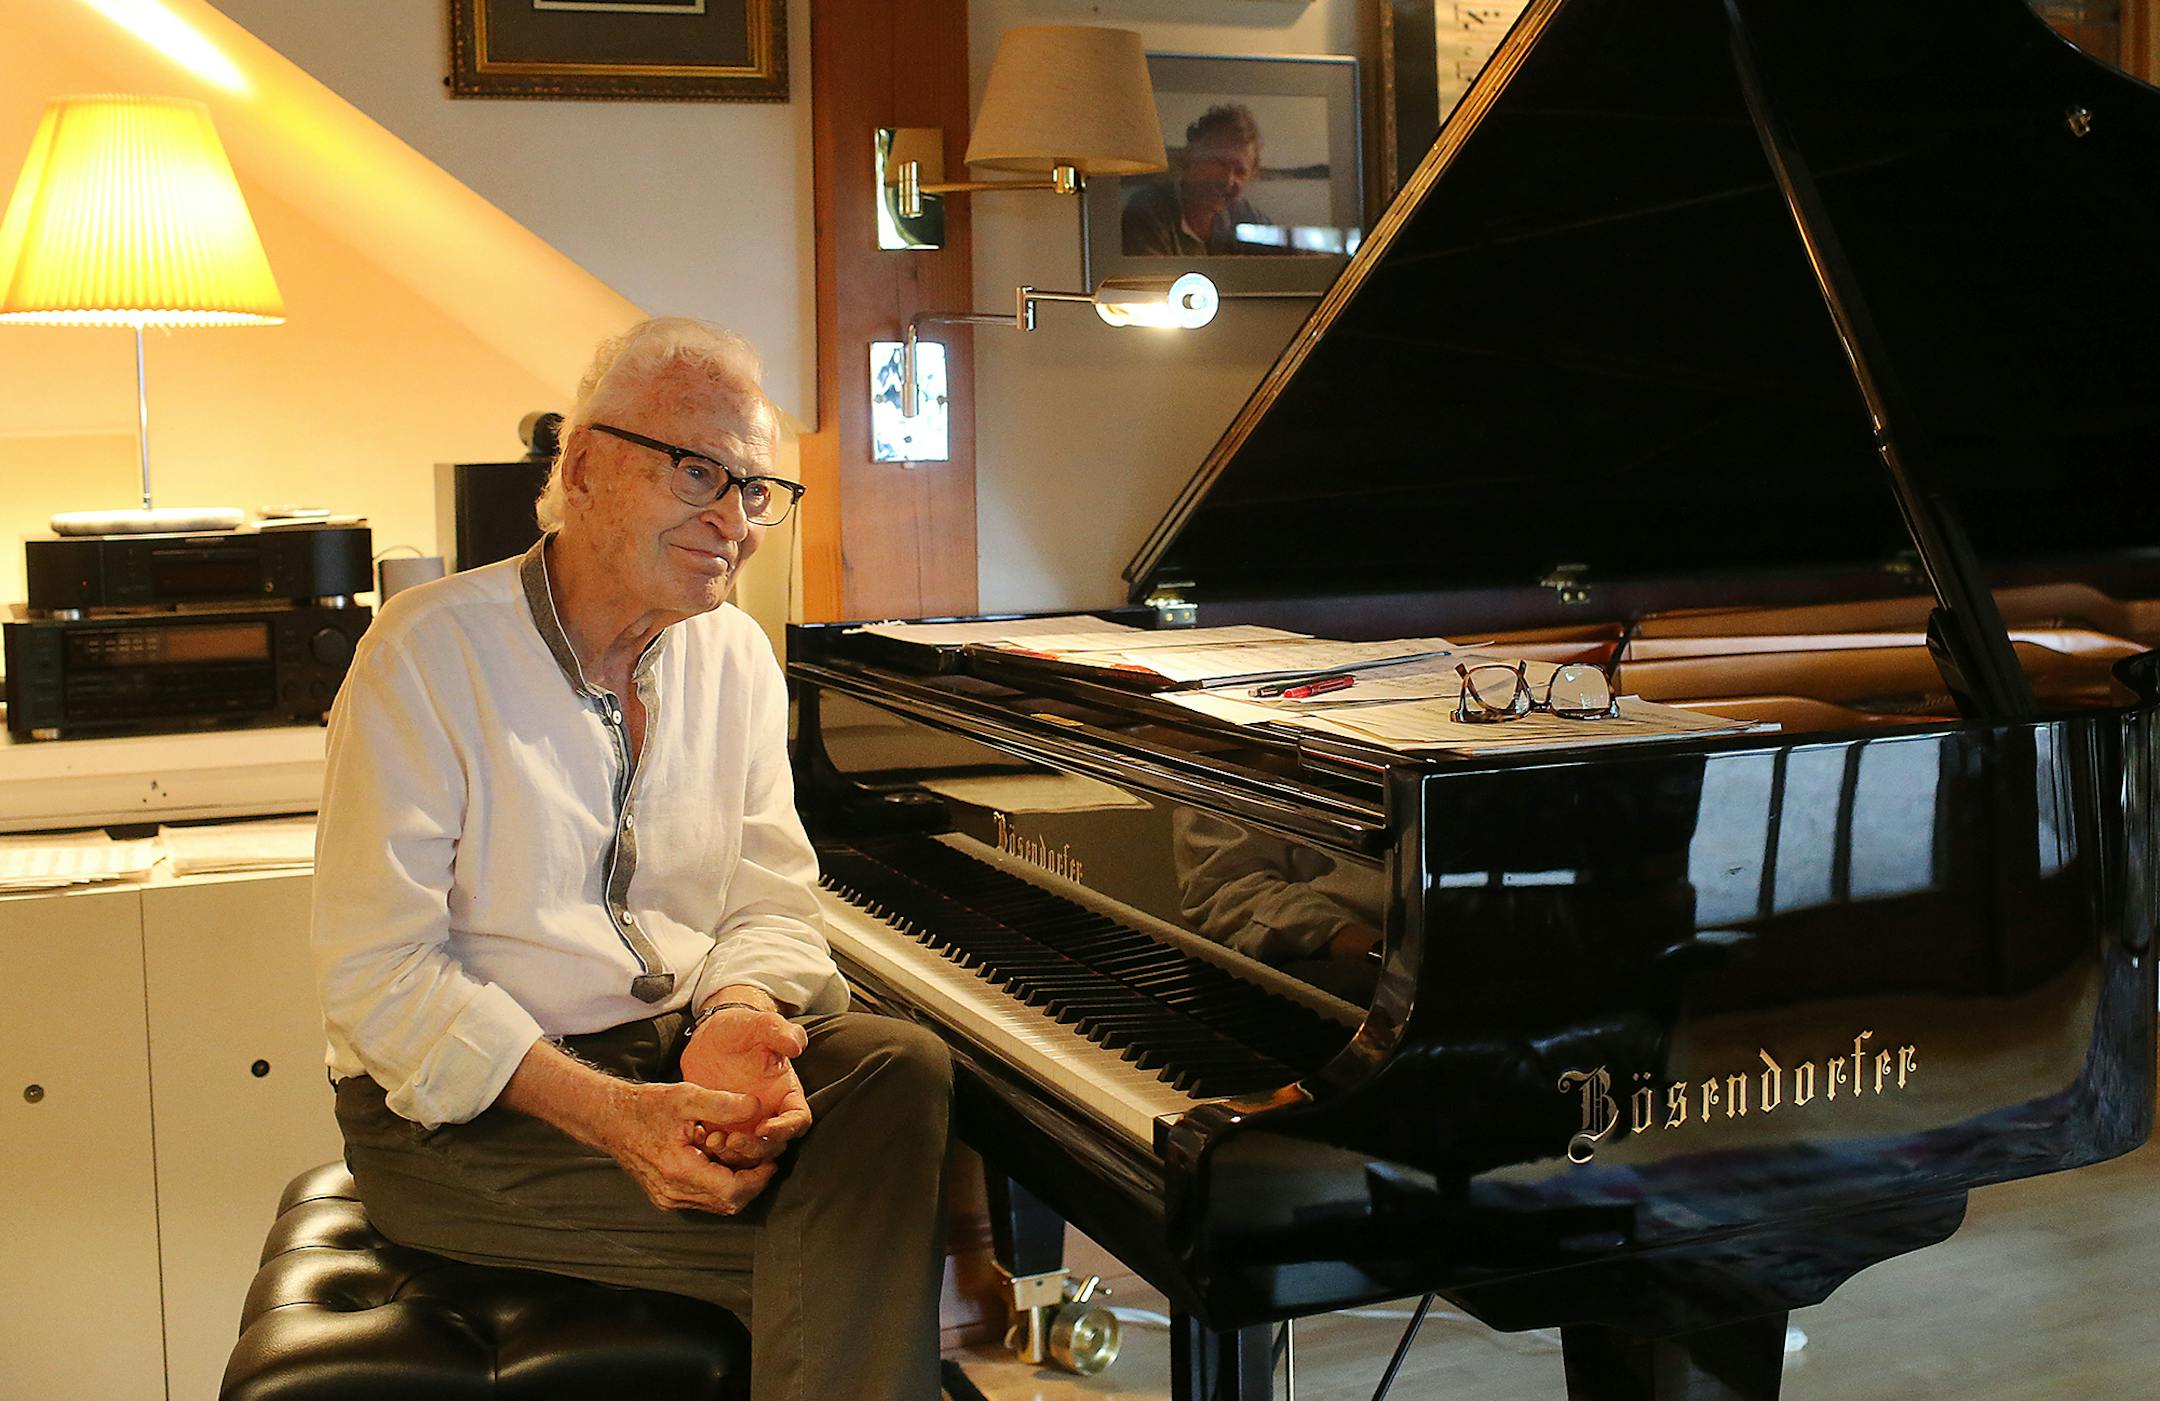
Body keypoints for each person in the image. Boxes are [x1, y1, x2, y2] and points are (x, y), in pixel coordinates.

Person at [310, 317, 952, 1401]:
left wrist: (738, 1013)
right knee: (859, 1243)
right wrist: (613, 1117)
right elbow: (379, 978)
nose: (733, 519)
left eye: (756, 490)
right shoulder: (423, 654)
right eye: (698, 470)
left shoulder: (738, 653)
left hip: (669, 1054)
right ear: (584, 464)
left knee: (902, 1066)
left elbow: (770, 891)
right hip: (473, 1122)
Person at [1122, 103, 1269, 257]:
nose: (1228, 180)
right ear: (1191, 157)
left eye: (1240, 172)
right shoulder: (1147, 210)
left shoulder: (1247, 216)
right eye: (1220, 163)